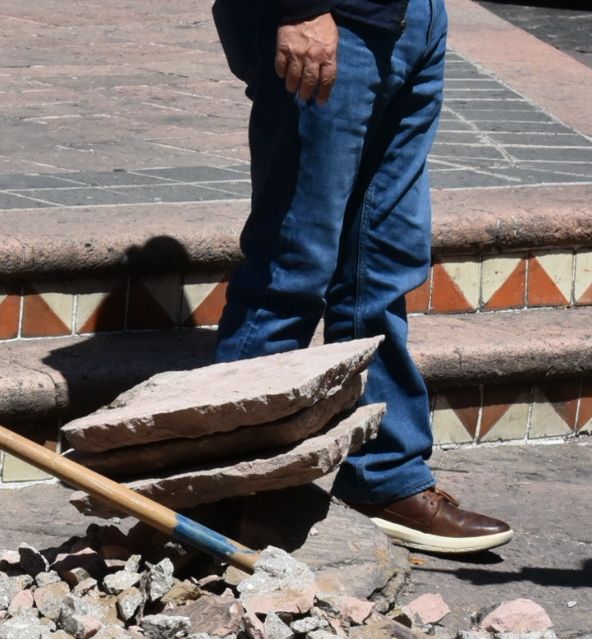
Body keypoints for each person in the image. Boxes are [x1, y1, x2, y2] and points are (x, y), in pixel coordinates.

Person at [210, 0, 512, 555]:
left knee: (381, 266)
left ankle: (385, 476)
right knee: (290, 266)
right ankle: (236, 491)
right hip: (330, 20)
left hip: (411, 20)